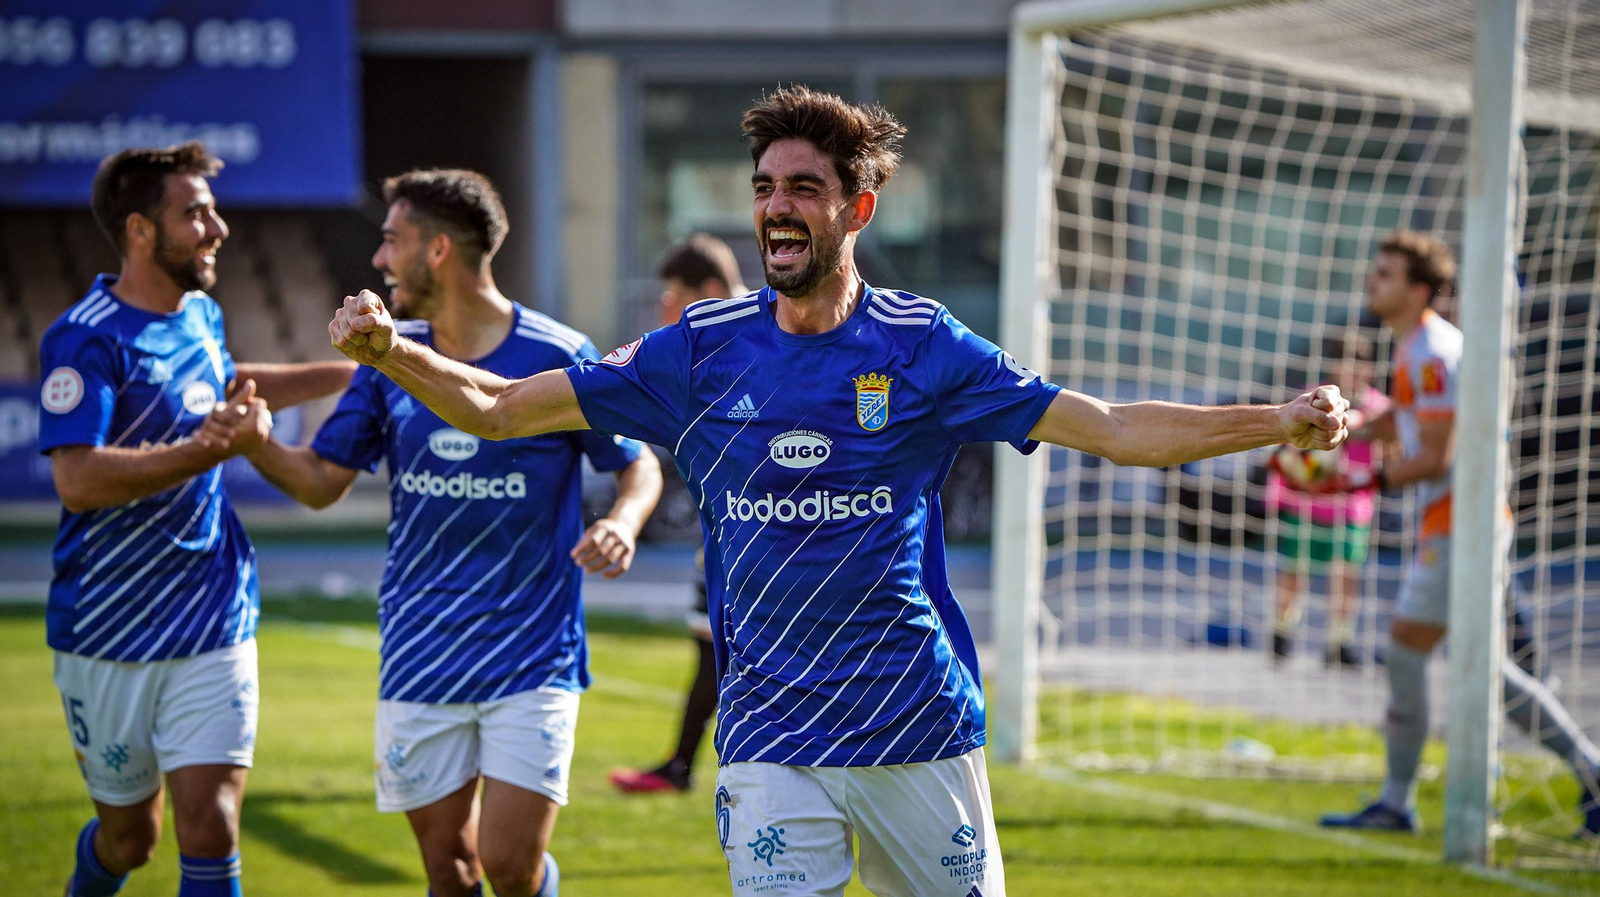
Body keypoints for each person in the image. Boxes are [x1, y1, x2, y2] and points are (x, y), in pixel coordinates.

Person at [326, 87, 1348, 896]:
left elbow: (1113, 430)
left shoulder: (922, 345)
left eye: (804, 187)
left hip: (915, 723)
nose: (775, 204)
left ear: (855, 208)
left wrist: (1276, 421)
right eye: (765, 184)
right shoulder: (698, 352)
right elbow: (504, 409)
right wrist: (389, 355)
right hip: (771, 733)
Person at [244, 169, 662, 897]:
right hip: (420, 653)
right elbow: (319, 482)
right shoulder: (385, 359)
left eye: (391, 241)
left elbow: (637, 464)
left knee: (509, 865)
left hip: (531, 654)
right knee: (450, 870)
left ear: (438, 251)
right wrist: (251, 442)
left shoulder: (558, 352)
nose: (379, 260)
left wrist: (622, 522)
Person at [42, 142, 355, 897]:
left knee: (211, 823)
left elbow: (228, 382)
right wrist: (199, 450)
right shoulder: (84, 339)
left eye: (213, 210)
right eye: (195, 213)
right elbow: (77, 479)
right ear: (141, 230)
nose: (216, 228)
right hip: (106, 629)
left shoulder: (203, 315)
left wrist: (359, 370)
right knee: (130, 838)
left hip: (213, 616)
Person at [1320, 230, 1600, 837]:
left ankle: (1398, 802)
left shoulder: (1433, 351)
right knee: (1486, 671)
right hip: (1456, 523)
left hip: (1460, 524)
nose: (1374, 281)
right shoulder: (1415, 346)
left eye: (1387, 273)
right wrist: (1350, 429)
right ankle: (1591, 776)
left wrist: (1357, 485)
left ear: (1420, 289)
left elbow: (1440, 455)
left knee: (1419, 655)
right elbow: (1408, 416)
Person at [609, 233, 748, 794]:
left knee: (733, 652)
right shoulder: (697, 351)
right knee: (708, 647)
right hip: (719, 534)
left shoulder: (770, 340)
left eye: (675, 295)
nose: (667, 309)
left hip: (769, 543)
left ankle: (703, 768)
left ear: (710, 291)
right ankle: (683, 767)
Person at [1267, 336, 1388, 667]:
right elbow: (1289, 448)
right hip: (1309, 503)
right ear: (1334, 367)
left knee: (1346, 574)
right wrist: (1291, 473)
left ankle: (1339, 641)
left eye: (1361, 364)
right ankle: (1280, 633)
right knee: (1296, 570)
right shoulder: (1314, 398)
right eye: (1347, 363)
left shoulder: (1379, 406)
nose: (1355, 371)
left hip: (1352, 506)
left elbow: (1392, 446)